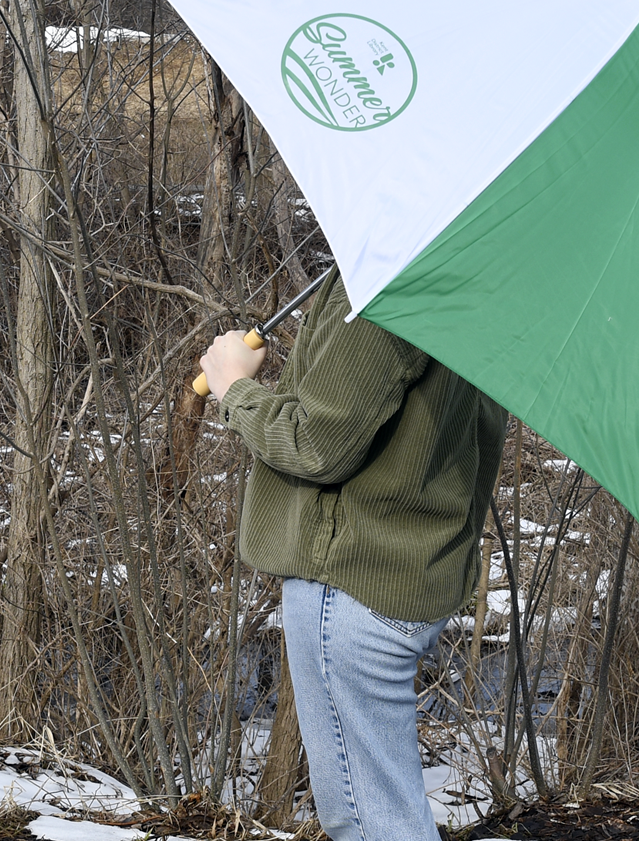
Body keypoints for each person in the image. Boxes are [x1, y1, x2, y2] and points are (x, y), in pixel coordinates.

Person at [200, 266, 506, 841]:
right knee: (382, 814)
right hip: (412, 570)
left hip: (352, 582)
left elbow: (316, 443)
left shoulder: (393, 272)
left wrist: (235, 389)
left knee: (368, 823)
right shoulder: (477, 273)